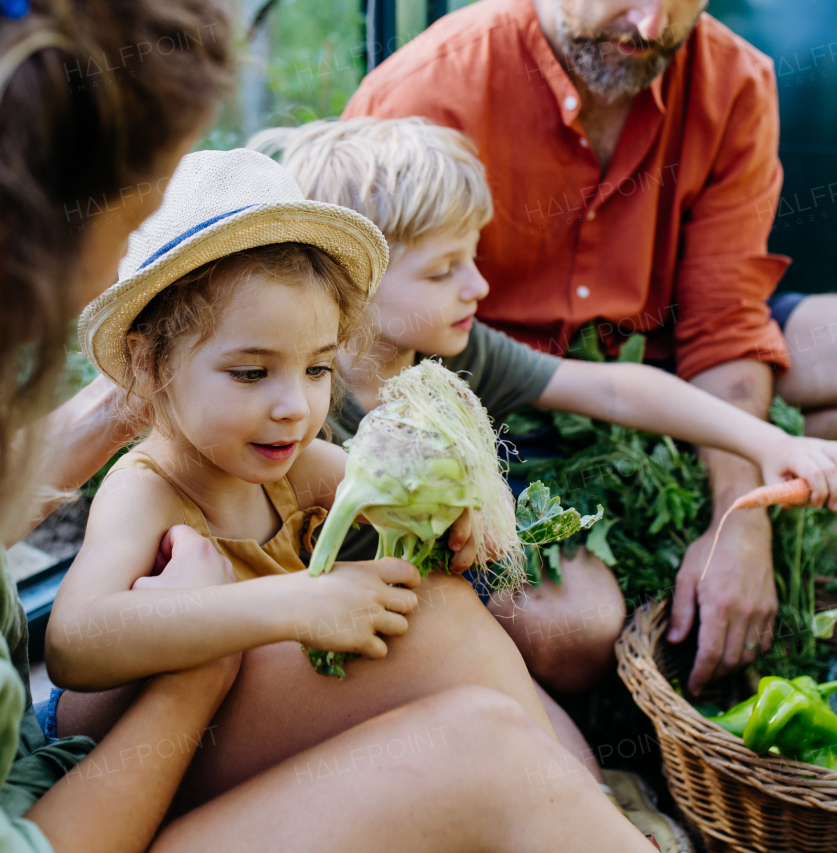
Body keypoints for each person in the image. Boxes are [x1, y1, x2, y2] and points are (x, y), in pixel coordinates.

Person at [0, 3, 655, 853]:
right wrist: (199, 670)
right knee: (479, 754)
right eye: (121, 229)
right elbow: (80, 651)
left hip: (32, 760)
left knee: (450, 654)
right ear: (10, 240)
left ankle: (584, 801)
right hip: (52, 803)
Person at [44, 146, 661, 851]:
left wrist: (456, 514)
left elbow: (396, 485)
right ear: (151, 362)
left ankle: (572, 809)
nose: (294, 407)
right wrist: (293, 603)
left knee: (444, 607)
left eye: (315, 368)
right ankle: (583, 815)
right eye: (251, 373)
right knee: (447, 629)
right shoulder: (147, 489)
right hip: (140, 756)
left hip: (237, 725)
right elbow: (71, 643)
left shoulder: (296, 467)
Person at [342, 0, 837, 694]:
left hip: (660, 359)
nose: (651, 28)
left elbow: (727, 320)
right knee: (568, 627)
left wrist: (744, 517)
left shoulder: (733, 80)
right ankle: (633, 543)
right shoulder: (428, 89)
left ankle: (702, 506)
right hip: (503, 402)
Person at [250, 116, 837, 696]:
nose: (479, 286)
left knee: (550, 684)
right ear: (352, 282)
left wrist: (769, 444)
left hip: (435, 597)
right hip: (336, 630)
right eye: (444, 272)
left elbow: (612, 388)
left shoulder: (456, 358)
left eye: (473, 257)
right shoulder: (300, 395)